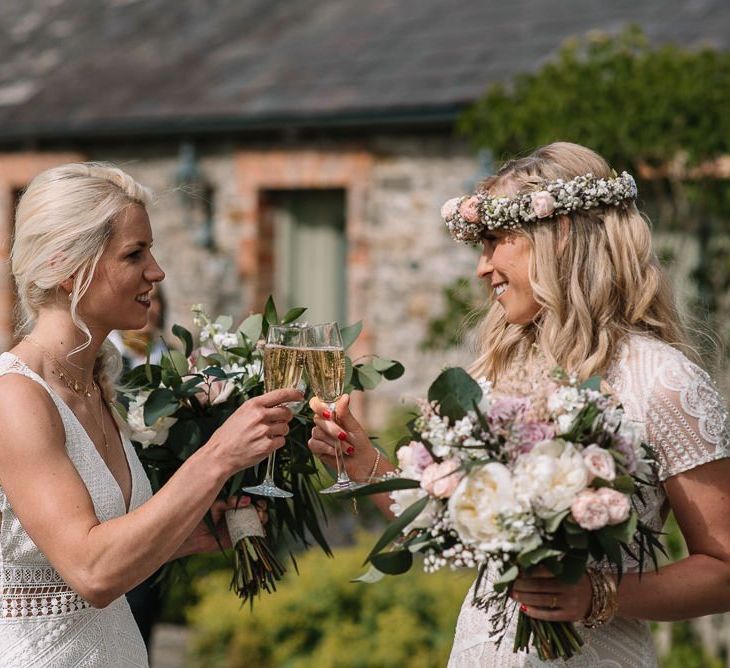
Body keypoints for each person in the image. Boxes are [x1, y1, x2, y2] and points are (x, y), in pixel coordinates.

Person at [308, 142, 730, 666]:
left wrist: (600, 592)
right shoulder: (493, 375)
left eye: (496, 242)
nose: (483, 269)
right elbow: (446, 532)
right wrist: (363, 462)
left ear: (562, 238)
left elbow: (723, 566)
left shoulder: (662, 381)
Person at [0, 162, 301, 667]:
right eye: (134, 253)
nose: (156, 272)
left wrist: (189, 536)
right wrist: (218, 456)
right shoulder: (15, 397)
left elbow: (99, 553)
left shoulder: (97, 385)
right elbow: (92, 571)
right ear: (70, 267)